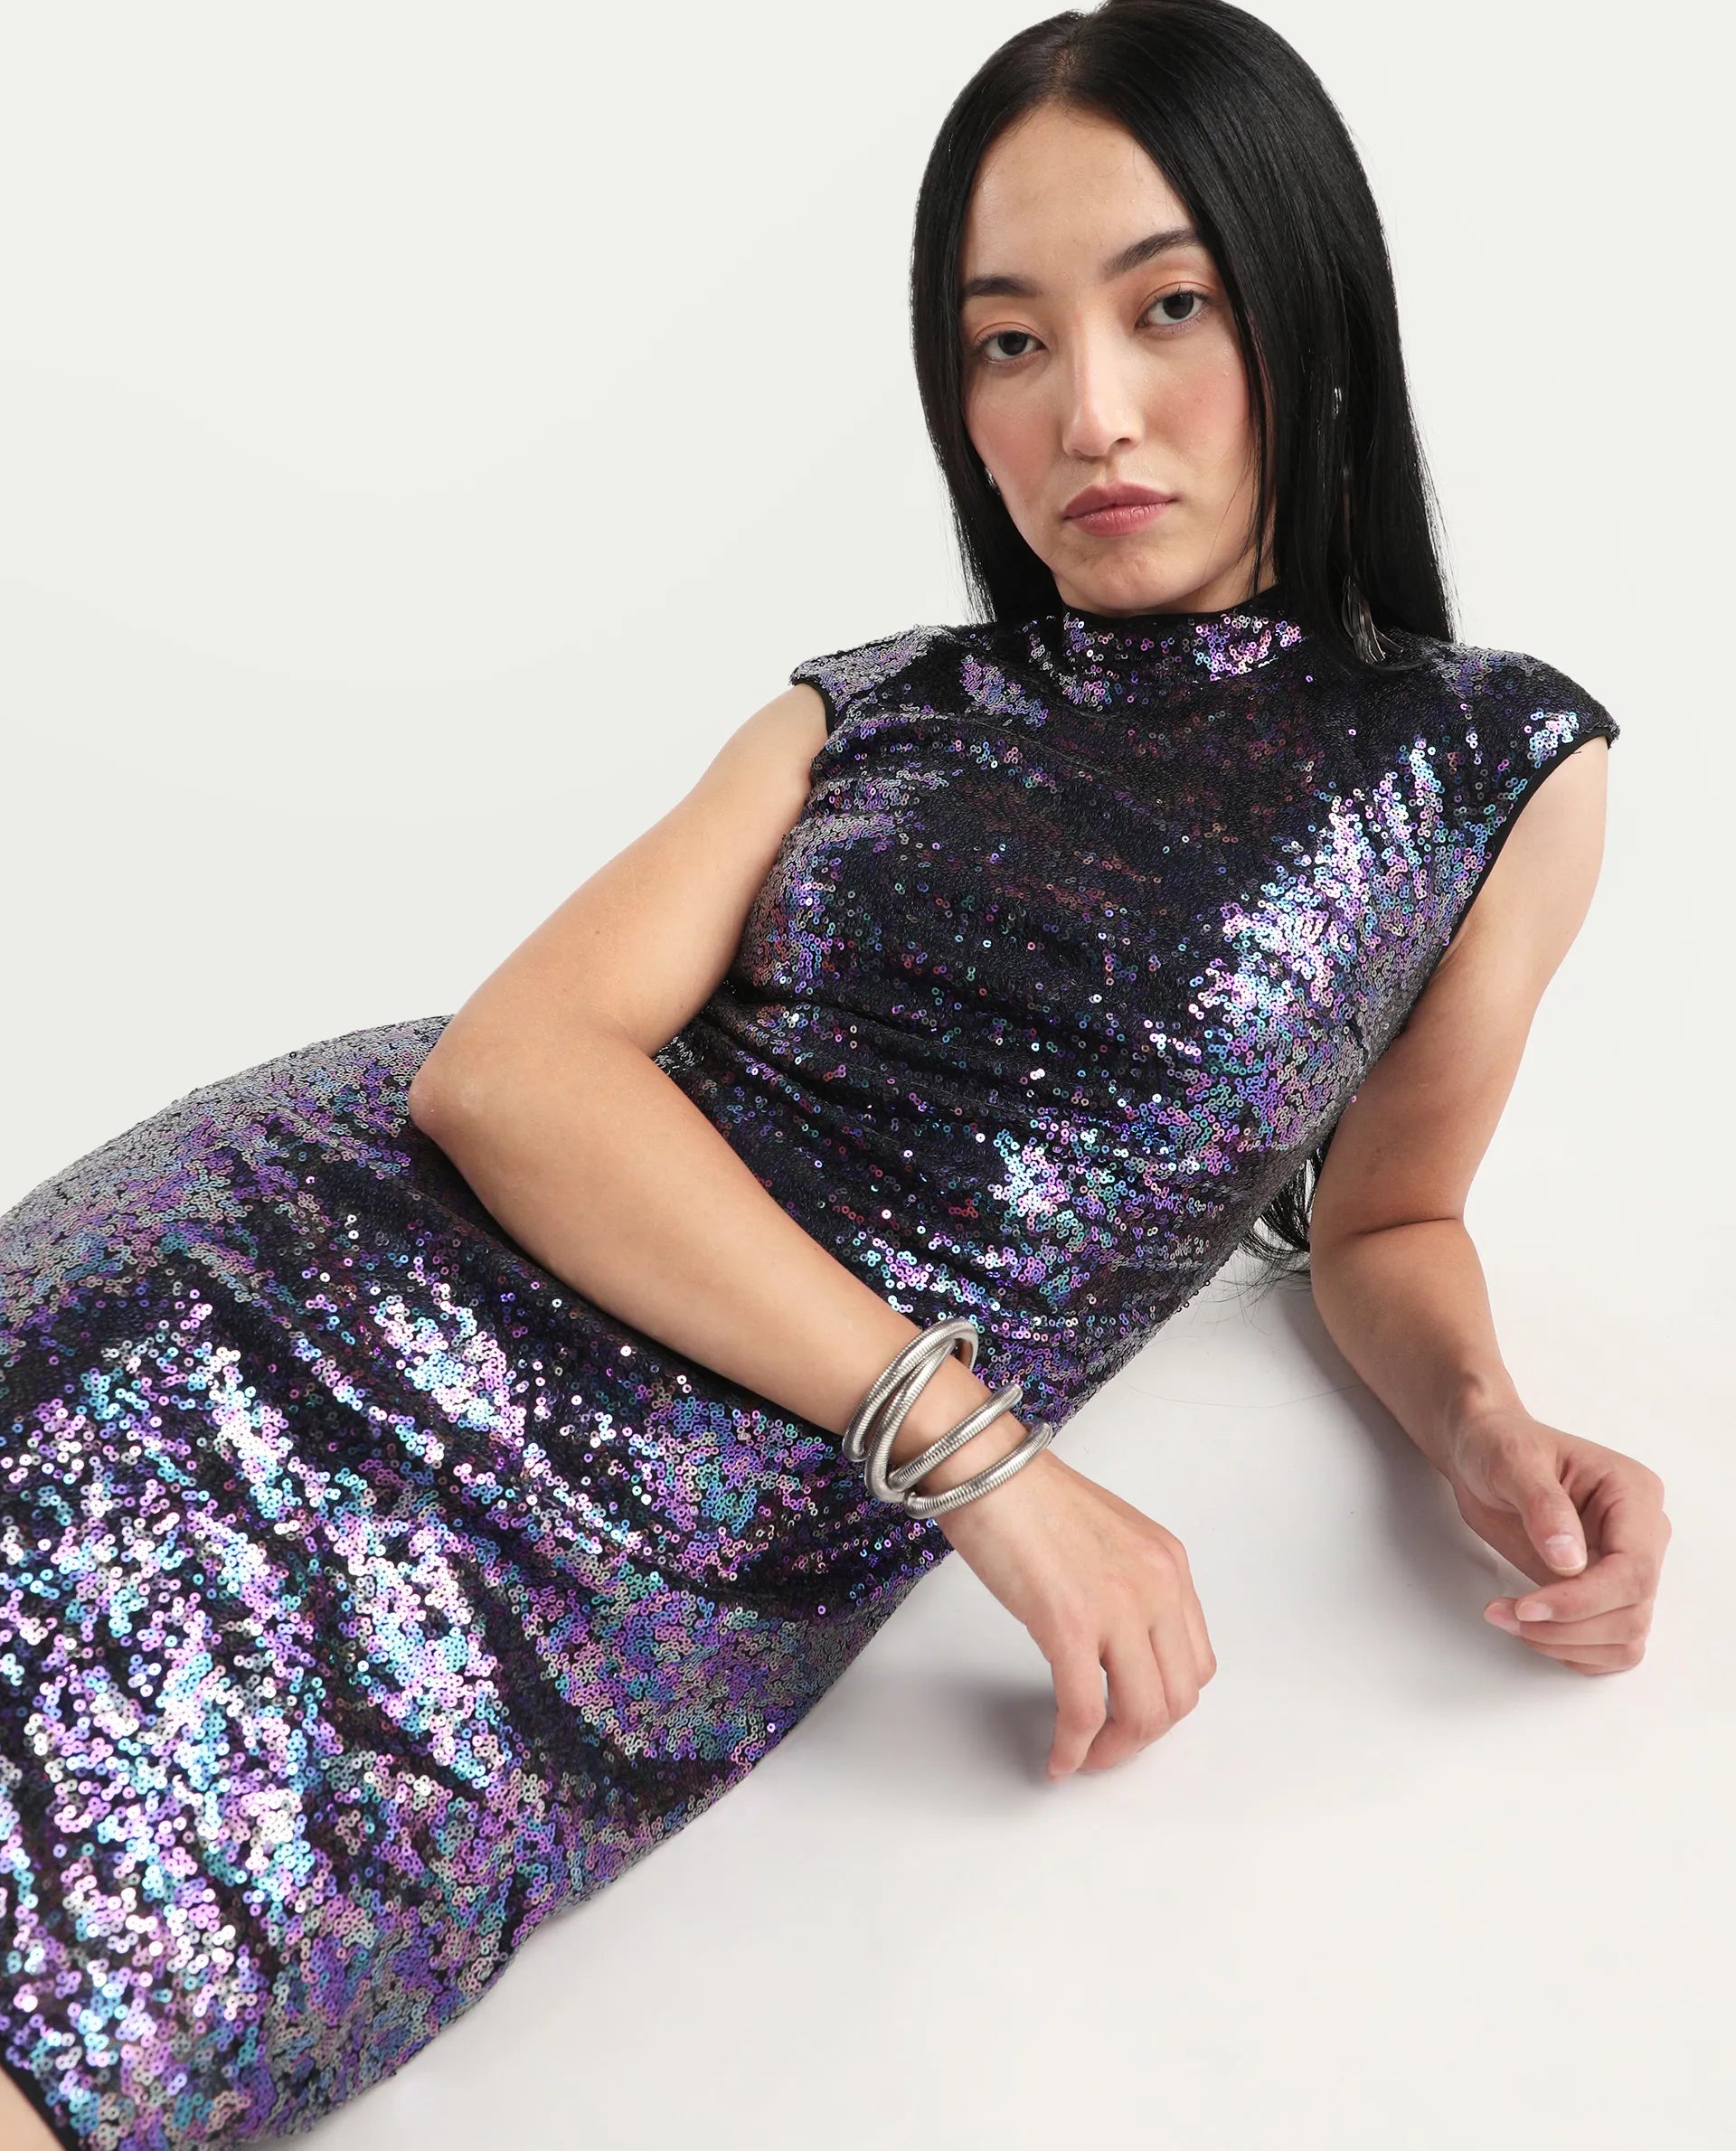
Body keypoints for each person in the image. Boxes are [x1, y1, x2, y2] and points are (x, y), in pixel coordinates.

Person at [0, 2, 1671, 2145]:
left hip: (628, 1556)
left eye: (1169, 308)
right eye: (1008, 342)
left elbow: (1392, 1213)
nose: (1091, 411)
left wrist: (1482, 1421)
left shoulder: (1492, 763)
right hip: (275, 1299)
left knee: (111, 2025)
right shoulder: (868, 706)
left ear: (1308, 306)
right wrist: (982, 1459)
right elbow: (512, 1072)